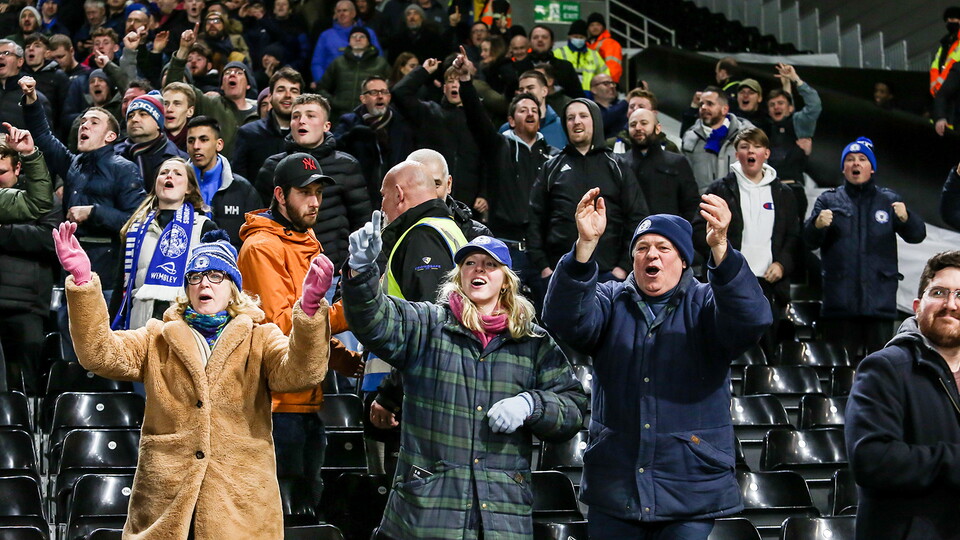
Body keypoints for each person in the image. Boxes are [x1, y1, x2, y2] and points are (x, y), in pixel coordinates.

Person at [54, 220, 332, 539]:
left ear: (233, 287)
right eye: (195, 277)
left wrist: (310, 311)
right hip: (164, 506)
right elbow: (99, 352)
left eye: (215, 276)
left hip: (240, 509)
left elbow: (301, 372)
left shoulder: (261, 338)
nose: (204, 284)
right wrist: (83, 282)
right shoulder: (158, 338)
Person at [342, 212, 588, 539]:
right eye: (470, 263)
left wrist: (532, 405)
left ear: (506, 280)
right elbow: (374, 321)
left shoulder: (532, 342)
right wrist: (360, 271)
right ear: (459, 276)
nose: (478, 270)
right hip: (429, 516)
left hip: (501, 518)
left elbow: (572, 409)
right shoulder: (428, 325)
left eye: (489, 265)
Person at [543, 191, 772, 539]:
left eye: (663, 248)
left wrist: (721, 249)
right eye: (642, 248)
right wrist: (584, 248)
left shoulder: (707, 302)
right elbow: (563, 318)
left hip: (690, 488)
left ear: (683, 260)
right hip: (616, 489)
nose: (651, 254)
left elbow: (751, 320)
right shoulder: (609, 299)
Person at [238, 151, 362, 508]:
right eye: (305, 193)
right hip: (275, 403)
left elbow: (307, 319)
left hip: (306, 397)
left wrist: (338, 358)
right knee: (282, 509)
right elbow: (282, 324)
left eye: (319, 193)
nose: (315, 202)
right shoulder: (261, 247)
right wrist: (352, 311)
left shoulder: (306, 240)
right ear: (280, 195)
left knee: (307, 504)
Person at [20, 74, 145, 358]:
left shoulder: (124, 168)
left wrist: (94, 213)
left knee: (102, 351)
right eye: (83, 121)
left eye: (94, 122)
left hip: (106, 276)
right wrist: (31, 99)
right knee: (71, 348)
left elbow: (136, 221)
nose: (84, 125)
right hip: (71, 273)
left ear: (110, 136)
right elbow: (43, 137)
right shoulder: (74, 164)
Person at [361, 160, 468, 476]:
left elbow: (430, 327)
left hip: (417, 401)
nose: (381, 206)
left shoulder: (422, 238)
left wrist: (391, 395)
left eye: (383, 197)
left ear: (398, 194)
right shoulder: (449, 231)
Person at [845, 250, 960, 540]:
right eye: (939, 292)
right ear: (917, 306)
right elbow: (872, 460)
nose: (951, 304)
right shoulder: (884, 367)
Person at [804, 138, 926, 360]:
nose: (855, 163)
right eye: (850, 159)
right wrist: (816, 225)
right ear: (843, 168)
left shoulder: (889, 200)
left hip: (879, 303)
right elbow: (808, 241)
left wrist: (907, 218)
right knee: (839, 366)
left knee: (879, 368)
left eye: (862, 159)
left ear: (872, 168)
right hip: (840, 304)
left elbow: (917, 236)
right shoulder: (828, 200)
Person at [527, 98, 648, 309]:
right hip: (560, 272)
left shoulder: (617, 166)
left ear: (596, 121)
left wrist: (623, 267)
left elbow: (637, 217)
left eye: (583, 116)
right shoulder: (551, 167)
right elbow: (535, 218)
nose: (576, 122)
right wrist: (544, 267)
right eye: (570, 118)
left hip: (609, 275)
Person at [693, 127, 800, 355]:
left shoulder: (784, 193)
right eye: (744, 147)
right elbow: (699, 230)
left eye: (757, 146)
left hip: (769, 285)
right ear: (736, 153)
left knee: (768, 352)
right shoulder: (719, 190)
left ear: (766, 153)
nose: (750, 151)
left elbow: (793, 236)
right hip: (730, 283)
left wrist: (782, 264)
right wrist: (724, 261)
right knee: (725, 350)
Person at [255, 94, 371, 273]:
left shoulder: (346, 166)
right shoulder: (273, 167)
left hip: (334, 272)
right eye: (296, 116)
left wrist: (352, 266)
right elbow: (262, 220)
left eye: (310, 116)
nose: (302, 121)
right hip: (286, 269)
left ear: (326, 126)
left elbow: (362, 223)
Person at [110, 157, 217, 330]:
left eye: (177, 173)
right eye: (164, 173)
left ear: (189, 188)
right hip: (139, 328)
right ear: (156, 184)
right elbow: (119, 286)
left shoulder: (204, 228)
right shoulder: (135, 230)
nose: (169, 176)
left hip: (185, 328)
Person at [0, 128, 62, 395]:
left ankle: (28, 421)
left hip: (25, 304)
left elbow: (50, 239)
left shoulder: (41, 198)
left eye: (1, 172)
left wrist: (3, 232)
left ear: (17, 168)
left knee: (24, 383)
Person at [392, 59, 485, 216]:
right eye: (451, 81)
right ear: (444, 88)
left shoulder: (478, 121)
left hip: (469, 204)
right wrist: (423, 71)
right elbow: (399, 92)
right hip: (428, 199)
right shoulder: (429, 113)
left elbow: (487, 160)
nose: (455, 85)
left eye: (459, 81)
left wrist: (484, 194)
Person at [333, 75, 413, 209]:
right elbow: (334, 146)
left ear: (389, 97)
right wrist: (350, 137)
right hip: (359, 195)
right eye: (374, 92)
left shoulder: (401, 124)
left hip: (395, 195)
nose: (380, 96)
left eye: (384, 92)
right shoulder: (349, 122)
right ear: (363, 98)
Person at [186, 116, 261, 250]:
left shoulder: (243, 189)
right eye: (191, 141)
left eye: (204, 140)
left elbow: (257, 238)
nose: (196, 146)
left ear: (219, 144)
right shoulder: (176, 187)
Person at [618, 108, 699, 221]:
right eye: (633, 124)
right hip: (630, 230)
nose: (638, 128)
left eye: (644, 123)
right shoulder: (620, 163)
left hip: (667, 229)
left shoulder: (677, 162)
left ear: (658, 128)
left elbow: (691, 204)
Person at [233, 67, 303, 181]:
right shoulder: (248, 133)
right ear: (270, 97)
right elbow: (239, 181)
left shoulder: (308, 135)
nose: (288, 95)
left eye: (294, 91)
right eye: (281, 90)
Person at [682, 86, 755, 192]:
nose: (703, 107)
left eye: (710, 104)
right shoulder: (690, 138)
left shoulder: (748, 136)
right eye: (701, 104)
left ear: (724, 109)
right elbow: (685, 180)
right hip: (703, 201)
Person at [114, 90, 189, 190]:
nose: (134, 119)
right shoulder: (112, 154)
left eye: (143, 114)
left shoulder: (180, 159)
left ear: (158, 123)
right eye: (130, 116)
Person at [316, 26, 390, 122]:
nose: (357, 39)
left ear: (368, 42)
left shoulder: (380, 63)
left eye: (362, 36)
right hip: (340, 117)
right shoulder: (338, 63)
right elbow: (321, 88)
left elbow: (391, 88)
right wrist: (335, 103)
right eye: (354, 36)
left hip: (370, 117)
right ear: (349, 42)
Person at [311, 0, 381, 82]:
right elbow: (317, 63)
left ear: (353, 13)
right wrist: (322, 83)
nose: (342, 14)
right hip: (332, 83)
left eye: (345, 10)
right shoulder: (326, 35)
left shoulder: (368, 33)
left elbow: (378, 59)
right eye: (338, 11)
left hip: (363, 82)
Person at [553, 19, 608, 94]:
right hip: (565, 94)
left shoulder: (594, 55)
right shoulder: (558, 53)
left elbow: (605, 75)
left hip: (589, 95)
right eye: (575, 37)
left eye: (581, 37)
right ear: (569, 37)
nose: (578, 39)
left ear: (586, 39)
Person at [586, 12, 623, 83]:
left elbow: (613, 67)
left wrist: (608, 83)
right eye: (592, 25)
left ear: (603, 27)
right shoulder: (587, 45)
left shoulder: (610, 43)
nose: (595, 27)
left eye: (598, 25)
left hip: (604, 84)